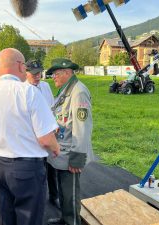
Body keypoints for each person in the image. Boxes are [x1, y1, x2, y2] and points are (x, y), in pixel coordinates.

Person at [0, 48, 60, 225]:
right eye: (24, 64)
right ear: (19, 65)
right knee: (28, 218)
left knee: (4, 215)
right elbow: (46, 138)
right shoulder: (29, 92)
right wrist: (56, 148)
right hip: (27, 167)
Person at [46, 58, 94, 225]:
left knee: (70, 194)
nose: (53, 77)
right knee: (64, 193)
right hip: (62, 152)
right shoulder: (66, 90)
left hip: (71, 154)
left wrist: (77, 157)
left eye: (56, 74)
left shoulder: (78, 92)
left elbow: (83, 127)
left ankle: (72, 222)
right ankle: (65, 219)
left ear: (67, 73)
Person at [25, 59, 60, 209]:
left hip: (48, 132)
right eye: (34, 73)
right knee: (36, 171)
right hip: (32, 136)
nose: (38, 75)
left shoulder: (45, 86)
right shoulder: (23, 89)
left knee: (51, 168)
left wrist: (55, 124)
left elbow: (52, 108)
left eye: (39, 72)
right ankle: (35, 199)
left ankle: (54, 196)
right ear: (26, 73)